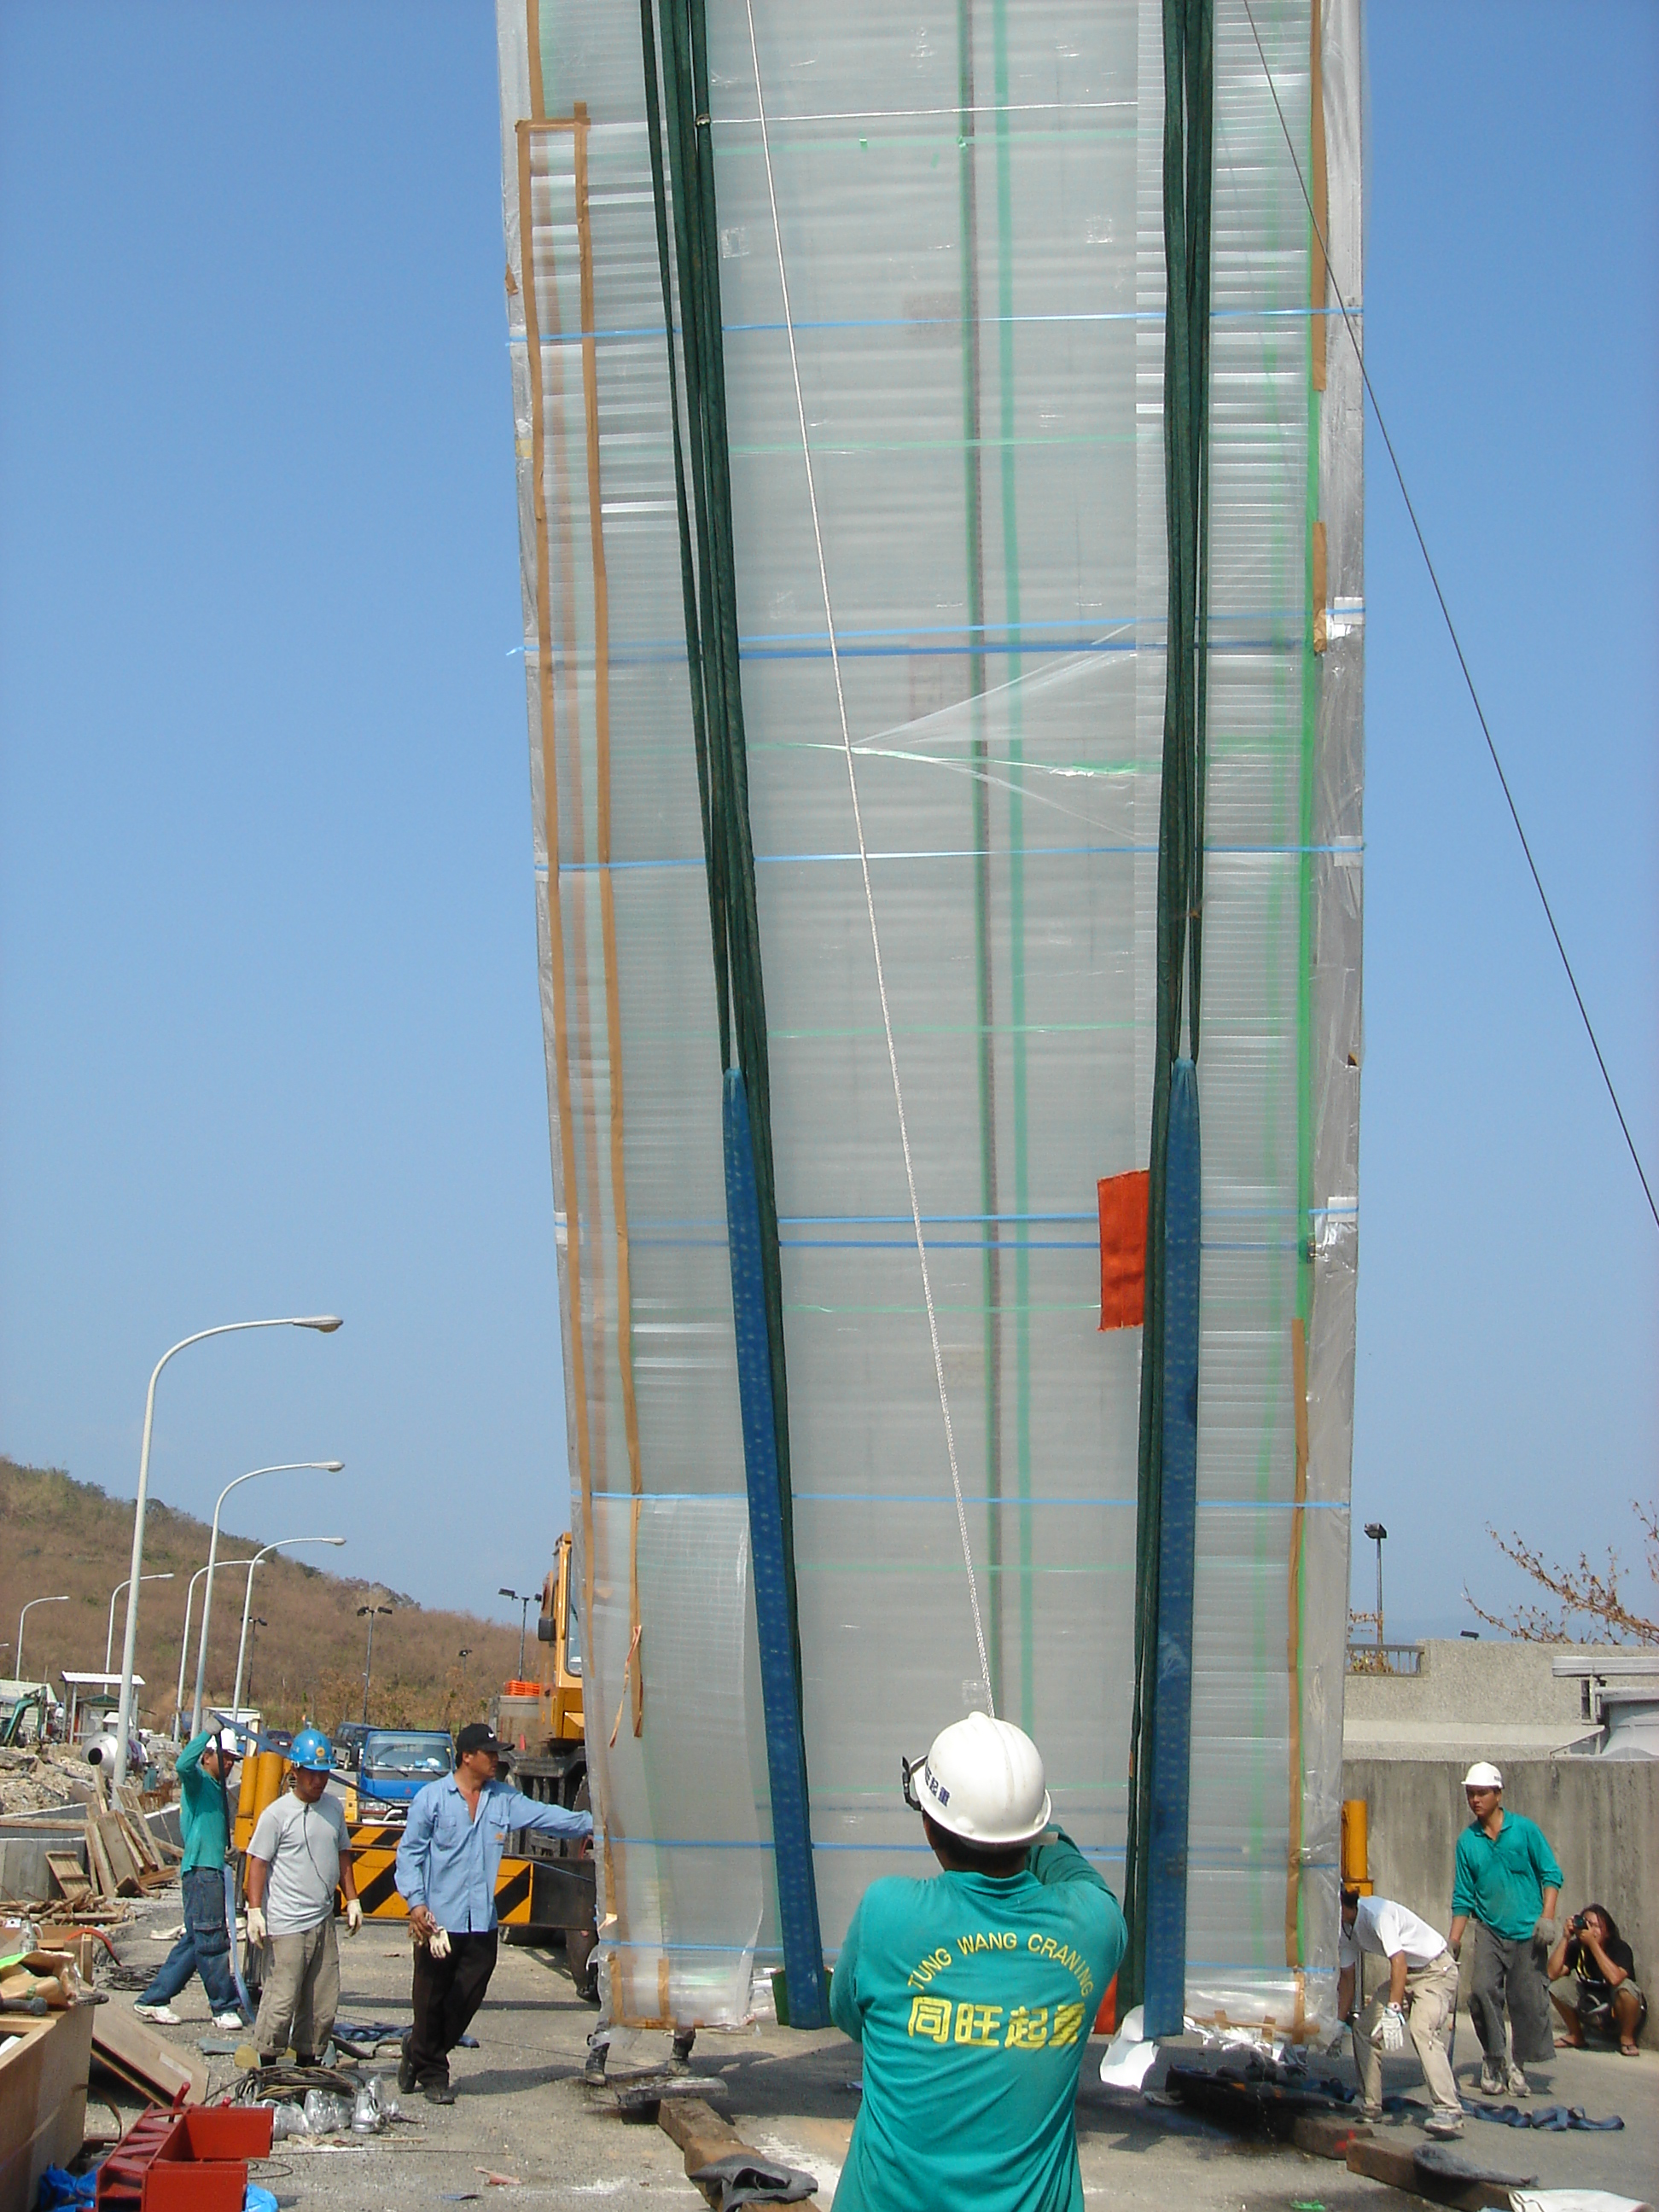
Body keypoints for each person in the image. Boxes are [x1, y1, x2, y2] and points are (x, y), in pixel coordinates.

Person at [828, 1712, 1126, 2212]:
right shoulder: (1092, 1927)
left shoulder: (888, 1915)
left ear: (929, 1825)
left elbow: (850, 2018)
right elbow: (1077, 1873)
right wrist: (1028, 1823)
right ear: (1036, 1832)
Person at [393, 1720, 591, 2103]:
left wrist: (594, 1824)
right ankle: (434, 2074)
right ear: (467, 1757)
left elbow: (546, 1817)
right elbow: (409, 1855)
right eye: (490, 1754)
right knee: (430, 1996)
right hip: (439, 1924)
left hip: (480, 1921)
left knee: (467, 1995)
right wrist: (416, 1903)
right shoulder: (432, 1799)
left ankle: (416, 2047)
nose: (497, 1760)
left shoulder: (502, 1799)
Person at [244, 1726, 362, 2066]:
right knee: (282, 1999)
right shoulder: (276, 1815)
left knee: (321, 2002)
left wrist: (351, 1898)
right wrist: (255, 1911)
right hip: (287, 1924)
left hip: (322, 1920)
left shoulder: (333, 1810)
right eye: (312, 1773)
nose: (319, 1781)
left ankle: (307, 2065)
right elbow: (258, 1863)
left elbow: (343, 1853)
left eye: (324, 1774)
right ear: (295, 1770)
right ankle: (267, 2065)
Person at [1448, 1761, 1563, 2098]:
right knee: (1482, 1991)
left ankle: (1518, 2064)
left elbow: (1551, 1874)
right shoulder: (1467, 1842)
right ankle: (1494, 2058)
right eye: (1471, 1794)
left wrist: (1548, 1917)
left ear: (1499, 1794)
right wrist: (1453, 1941)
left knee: (1527, 2001)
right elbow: (1463, 1897)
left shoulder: (1525, 1831)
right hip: (1489, 1930)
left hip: (1528, 1932)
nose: (1475, 1800)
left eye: (1482, 1793)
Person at [135, 1726, 247, 2029]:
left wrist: (228, 1850)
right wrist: (205, 1734)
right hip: (201, 1872)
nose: (229, 1764)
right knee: (211, 1939)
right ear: (208, 1756)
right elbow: (184, 1764)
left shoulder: (218, 1791)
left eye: (233, 1760)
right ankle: (223, 2006)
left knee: (195, 1941)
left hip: (211, 1869)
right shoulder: (198, 1783)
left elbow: (212, 1831)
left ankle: (153, 1999)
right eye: (224, 1757)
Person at [1337, 1884, 1463, 2138]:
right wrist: (1337, 2026)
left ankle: (1449, 2109)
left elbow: (1399, 1962)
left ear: (1344, 1905)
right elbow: (1347, 1982)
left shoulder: (1376, 1914)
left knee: (1421, 2028)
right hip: (1407, 1976)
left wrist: (1394, 2010)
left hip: (1436, 1971)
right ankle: (1371, 2104)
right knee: (1363, 2029)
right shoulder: (1343, 1931)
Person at [1547, 1904, 1646, 2058]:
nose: (1589, 1929)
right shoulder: (1577, 1948)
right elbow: (1552, 1974)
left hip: (1621, 2011)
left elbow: (1615, 1979)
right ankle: (1576, 2036)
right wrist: (1566, 1937)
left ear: (1607, 1932)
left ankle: (1627, 2038)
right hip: (1594, 2006)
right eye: (1585, 1923)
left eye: (1595, 1926)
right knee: (1556, 1987)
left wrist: (1593, 1945)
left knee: (1626, 1989)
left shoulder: (1620, 1948)